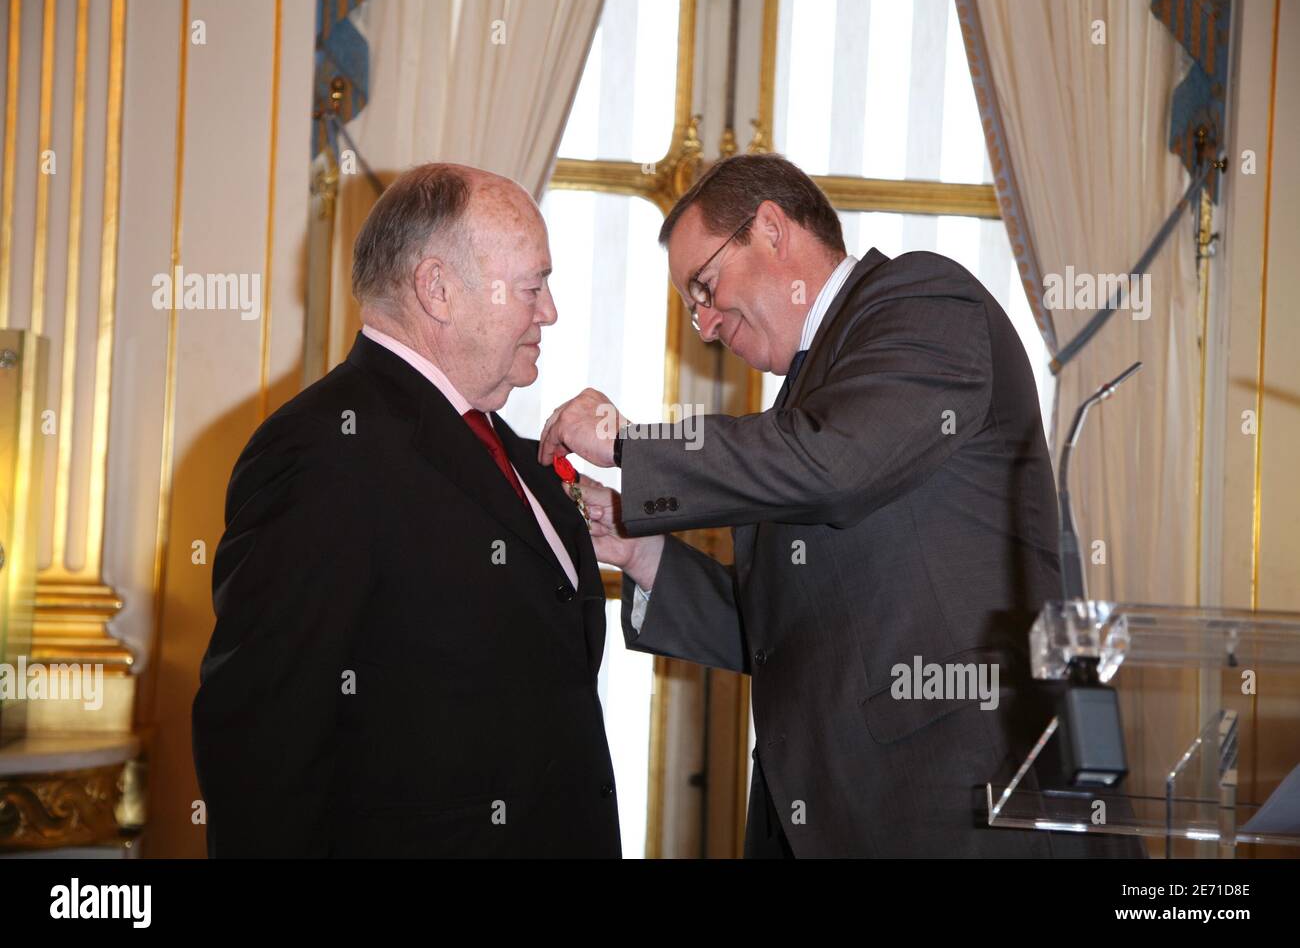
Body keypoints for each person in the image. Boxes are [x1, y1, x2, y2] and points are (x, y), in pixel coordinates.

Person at [539, 153, 1141, 858]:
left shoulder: (925, 301)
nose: (703, 324)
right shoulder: (802, 406)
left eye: (704, 286)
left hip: (954, 805)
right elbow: (782, 633)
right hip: (824, 812)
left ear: (770, 229)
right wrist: (639, 550)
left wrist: (631, 447)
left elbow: (834, 462)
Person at [193, 163, 619, 857]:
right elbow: (260, 747)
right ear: (438, 289)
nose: (549, 311)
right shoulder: (323, 451)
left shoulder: (508, 450)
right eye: (534, 285)